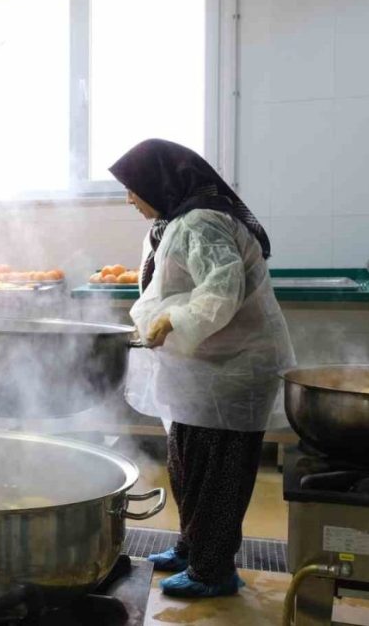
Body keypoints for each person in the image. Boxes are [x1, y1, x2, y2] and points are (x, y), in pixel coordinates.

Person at [111, 139, 294, 599]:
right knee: (187, 462)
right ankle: (192, 547)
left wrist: (172, 320)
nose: (129, 198)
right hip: (201, 368)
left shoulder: (203, 221)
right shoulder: (174, 222)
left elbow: (221, 292)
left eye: (133, 188)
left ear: (159, 181)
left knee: (219, 472)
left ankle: (213, 571)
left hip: (233, 369)